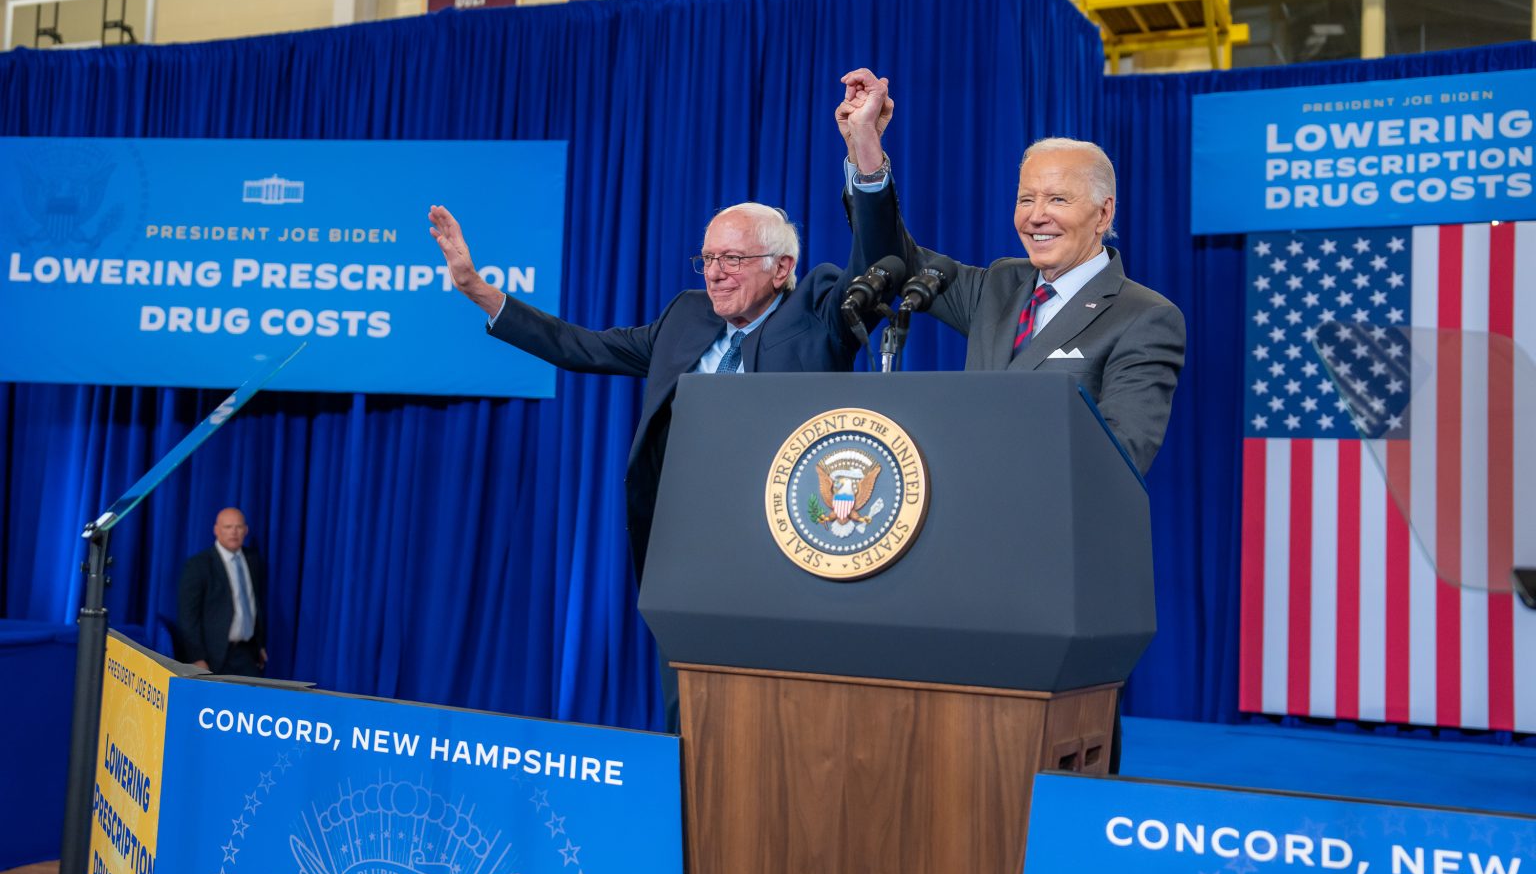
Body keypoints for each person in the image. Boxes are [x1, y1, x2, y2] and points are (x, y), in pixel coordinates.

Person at [428, 74, 893, 578]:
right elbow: (578, 346)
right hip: (685, 536)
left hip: (786, 540)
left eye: (733, 258)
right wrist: (476, 287)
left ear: (780, 269)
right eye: (709, 257)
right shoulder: (685, 317)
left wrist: (863, 146)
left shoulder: (817, 309)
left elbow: (877, 265)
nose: (714, 273)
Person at [839, 68, 1185, 475]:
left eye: (1057, 199)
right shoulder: (1000, 284)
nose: (1037, 217)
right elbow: (894, 260)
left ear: (1103, 213)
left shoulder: (1143, 316)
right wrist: (866, 148)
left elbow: (1119, 456)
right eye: (1026, 200)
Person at [177, 507, 267, 676]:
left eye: (238, 527)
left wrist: (260, 645)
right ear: (216, 530)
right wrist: (197, 657)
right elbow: (188, 617)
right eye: (227, 527)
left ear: (245, 530)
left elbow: (256, 605)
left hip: (247, 653)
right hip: (214, 656)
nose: (233, 532)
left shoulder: (253, 560)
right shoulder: (198, 565)